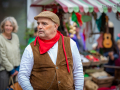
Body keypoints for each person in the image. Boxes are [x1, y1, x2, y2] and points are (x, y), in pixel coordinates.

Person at [18, 11, 84, 90]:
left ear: (55, 26)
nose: (39, 27)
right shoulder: (31, 48)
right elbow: (22, 76)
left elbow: (78, 71)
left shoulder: (70, 44)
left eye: (44, 24)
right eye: (38, 23)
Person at [0, 17, 21, 90]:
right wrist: (11, 70)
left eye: (10, 25)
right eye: (6, 25)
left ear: (13, 27)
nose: (8, 27)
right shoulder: (0, 38)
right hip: (4, 69)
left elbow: (18, 53)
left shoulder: (16, 37)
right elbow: (2, 57)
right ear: (3, 26)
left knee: (15, 88)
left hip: (16, 70)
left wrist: (18, 67)